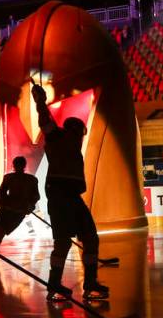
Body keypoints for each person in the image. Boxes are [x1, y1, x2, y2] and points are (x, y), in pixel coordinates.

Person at [31, 83, 108, 301]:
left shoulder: (74, 149)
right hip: (60, 199)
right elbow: (45, 121)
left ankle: (90, 282)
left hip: (73, 199)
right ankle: (54, 284)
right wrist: (40, 101)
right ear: (73, 131)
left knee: (91, 239)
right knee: (63, 243)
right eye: (80, 134)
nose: (81, 138)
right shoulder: (58, 139)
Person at [0, 156, 39, 266]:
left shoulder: (31, 180)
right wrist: (0, 197)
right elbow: (2, 191)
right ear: (15, 166)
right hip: (6, 209)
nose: (18, 167)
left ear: (22, 166)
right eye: (17, 165)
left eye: (20, 165)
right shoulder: (9, 178)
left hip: (17, 212)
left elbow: (35, 196)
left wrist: (30, 206)